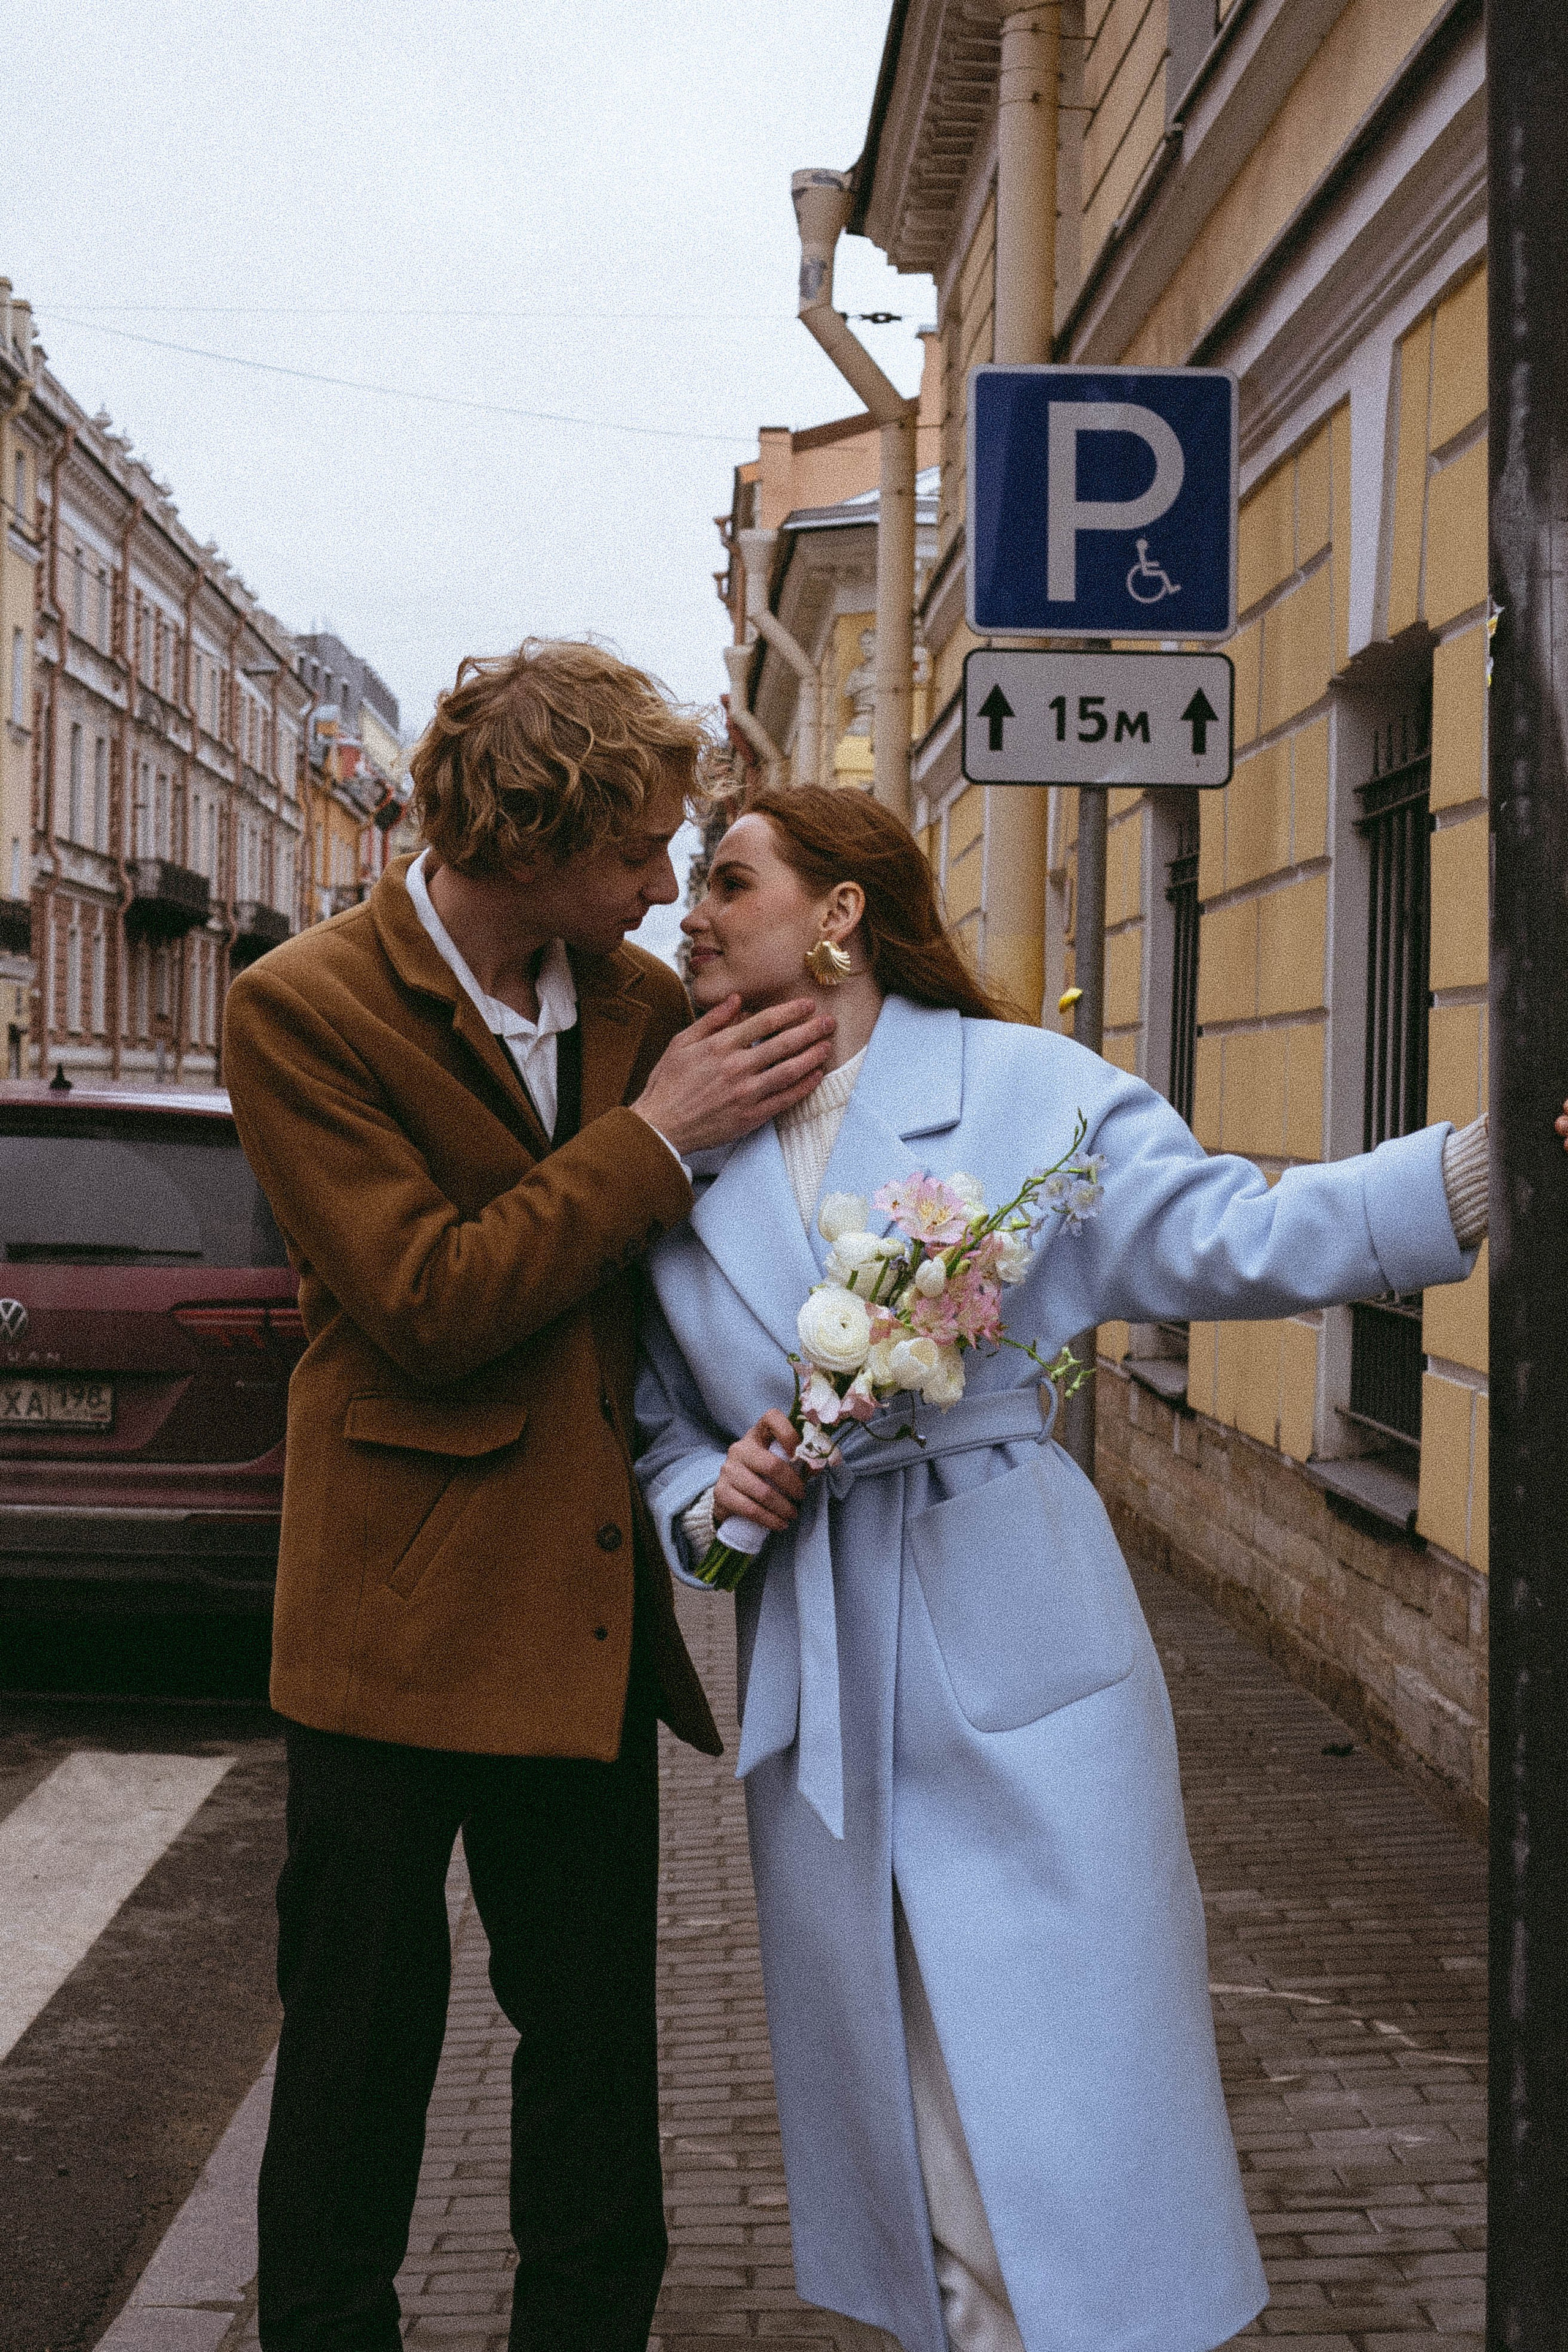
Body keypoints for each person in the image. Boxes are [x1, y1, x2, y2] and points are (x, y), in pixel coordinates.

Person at [634, 785, 1491, 2352]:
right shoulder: (672, 1154)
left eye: (728, 878)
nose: (691, 908)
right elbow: (655, 1440)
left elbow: (1230, 1232)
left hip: (1020, 1633)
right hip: (824, 1680)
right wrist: (723, 1495)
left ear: (837, 913)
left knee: (1077, 2112)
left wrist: (1469, 1177)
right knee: (925, 2148)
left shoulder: (1021, 1090)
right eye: (691, 880)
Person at [221, 641, 838, 2352]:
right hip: (389, 1619)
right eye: (640, 849)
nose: (664, 889)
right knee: (359, 2045)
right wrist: (651, 1140)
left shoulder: (642, 1008)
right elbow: (425, 1301)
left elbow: (852, 1084)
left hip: (578, 1609)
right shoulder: (303, 1008)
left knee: (592, 2060)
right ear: (537, 833)